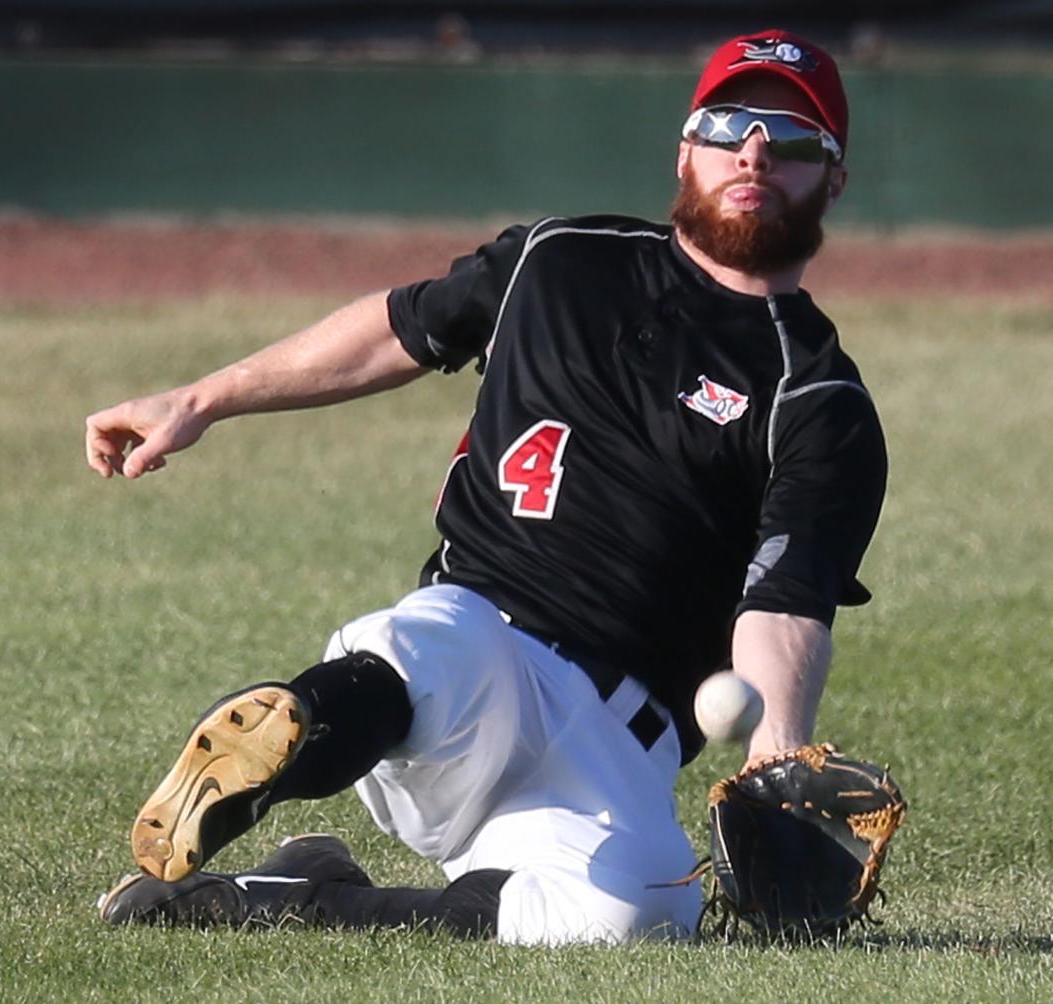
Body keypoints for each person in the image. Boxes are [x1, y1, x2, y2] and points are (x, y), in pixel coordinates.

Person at [86, 28, 886, 945]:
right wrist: (200, 400)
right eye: (729, 125)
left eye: (794, 140)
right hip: (479, 653)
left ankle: (290, 896)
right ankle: (283, 743)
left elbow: (786, 600)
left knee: (635, 915)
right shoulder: (560, 260)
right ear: (684, 150)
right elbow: (396, 331)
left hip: (615, 745)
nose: (754, 153)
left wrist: (778, 754)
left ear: (833, 180)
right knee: (427, 652)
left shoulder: (818, 398)